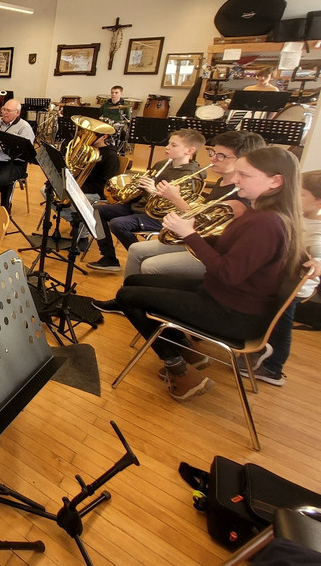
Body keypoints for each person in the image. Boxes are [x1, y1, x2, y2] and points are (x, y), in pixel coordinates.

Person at [115, 146, 303, 401]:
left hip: (231, 313)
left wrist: (190, 234)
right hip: (224, 295)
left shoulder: (265, 223)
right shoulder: (265, 215)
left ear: (275, 181)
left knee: (127, 295)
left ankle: (179, 370)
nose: (235, 180)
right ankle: (187, 350)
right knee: (136, 281)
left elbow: (228, 273)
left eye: (244, 175)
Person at [93, 131, 264, 292]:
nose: (212, 160)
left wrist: (172, 197)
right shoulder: (221, 181)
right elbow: (204, 209)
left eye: (221, 156)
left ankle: (138, 297)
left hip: (203, 245)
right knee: (133, 246)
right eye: (213, 153)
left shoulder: (240, 193)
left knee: (146, 260)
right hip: (188, 233)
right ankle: (125, 290)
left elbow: (205, 222)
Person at [240, 169, 321, 386]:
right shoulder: (299, 216)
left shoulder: (318, 228)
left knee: (281, 327)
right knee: (269, 321)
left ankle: (273, 369)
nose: (295, 197)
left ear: (319, 202)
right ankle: (257, 354)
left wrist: (317, 262)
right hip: (278, 281)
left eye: (302, 195)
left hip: (292, 288)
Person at [87, 128, 204, 272]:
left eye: (173, 145)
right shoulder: (163, 164)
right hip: (139, 206)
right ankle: (109, 257)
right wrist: (137, 185)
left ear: (189, 151)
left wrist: (153, 192)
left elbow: (178, 206)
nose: (167, 147)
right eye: (168, 143)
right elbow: (146, 186)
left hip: (158, 216)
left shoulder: (191, 175)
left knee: (118, 224)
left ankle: (140, 257)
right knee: (96, 211)